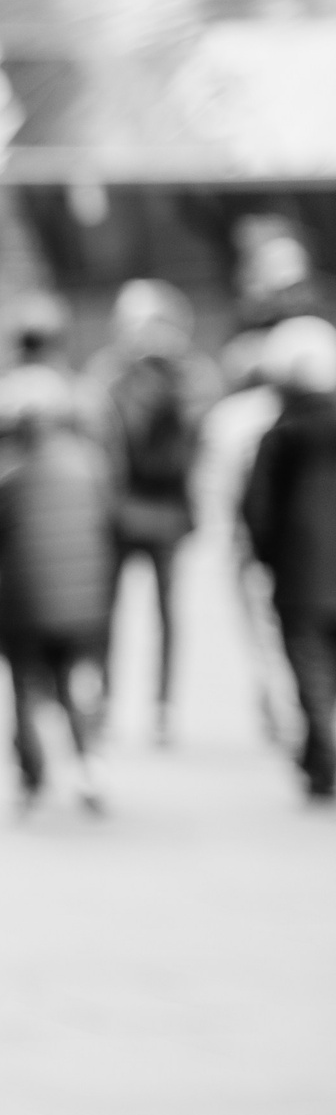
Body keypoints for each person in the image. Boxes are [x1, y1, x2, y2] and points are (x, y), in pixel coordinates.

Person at [0, 303, 118, 813]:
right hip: (85, 597)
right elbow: (109, 512)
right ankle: (89, 765)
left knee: (21, 679)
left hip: (22, 597)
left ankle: (30, 772)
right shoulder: (87, 451)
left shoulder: (1, 462)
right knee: (77, 676)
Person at [88, 280, 217, 744]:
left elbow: (99, 437)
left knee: (114, 611)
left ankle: (109, 701)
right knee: (164, 614)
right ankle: (160, 707)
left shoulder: (114, 373)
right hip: (166, 512)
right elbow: (202, 439)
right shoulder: (192, 375)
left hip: (124, 510)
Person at [242, 315, 336, 801]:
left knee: (310, 667)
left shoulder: (281, 434)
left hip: (302, 574)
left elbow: (257, 510)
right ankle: (318, 758)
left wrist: (267, 557)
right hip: (308, 570)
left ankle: (324, 753)